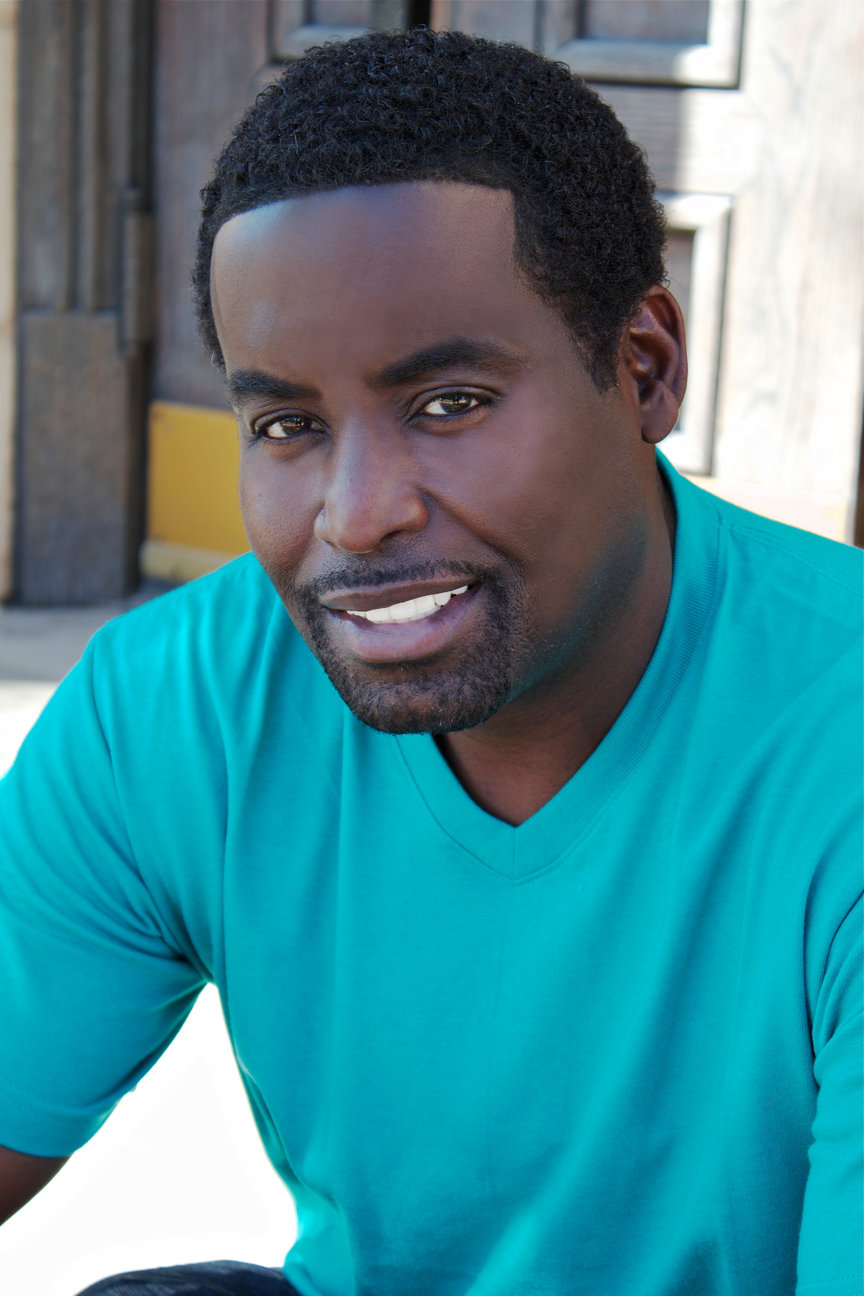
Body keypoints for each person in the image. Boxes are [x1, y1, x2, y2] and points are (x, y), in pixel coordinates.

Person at [0, 26, 861, 1296]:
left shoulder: (834, 732)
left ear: (644, 369)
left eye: (448, 404)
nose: (357, 515)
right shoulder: (175, 713)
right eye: (287, 423)